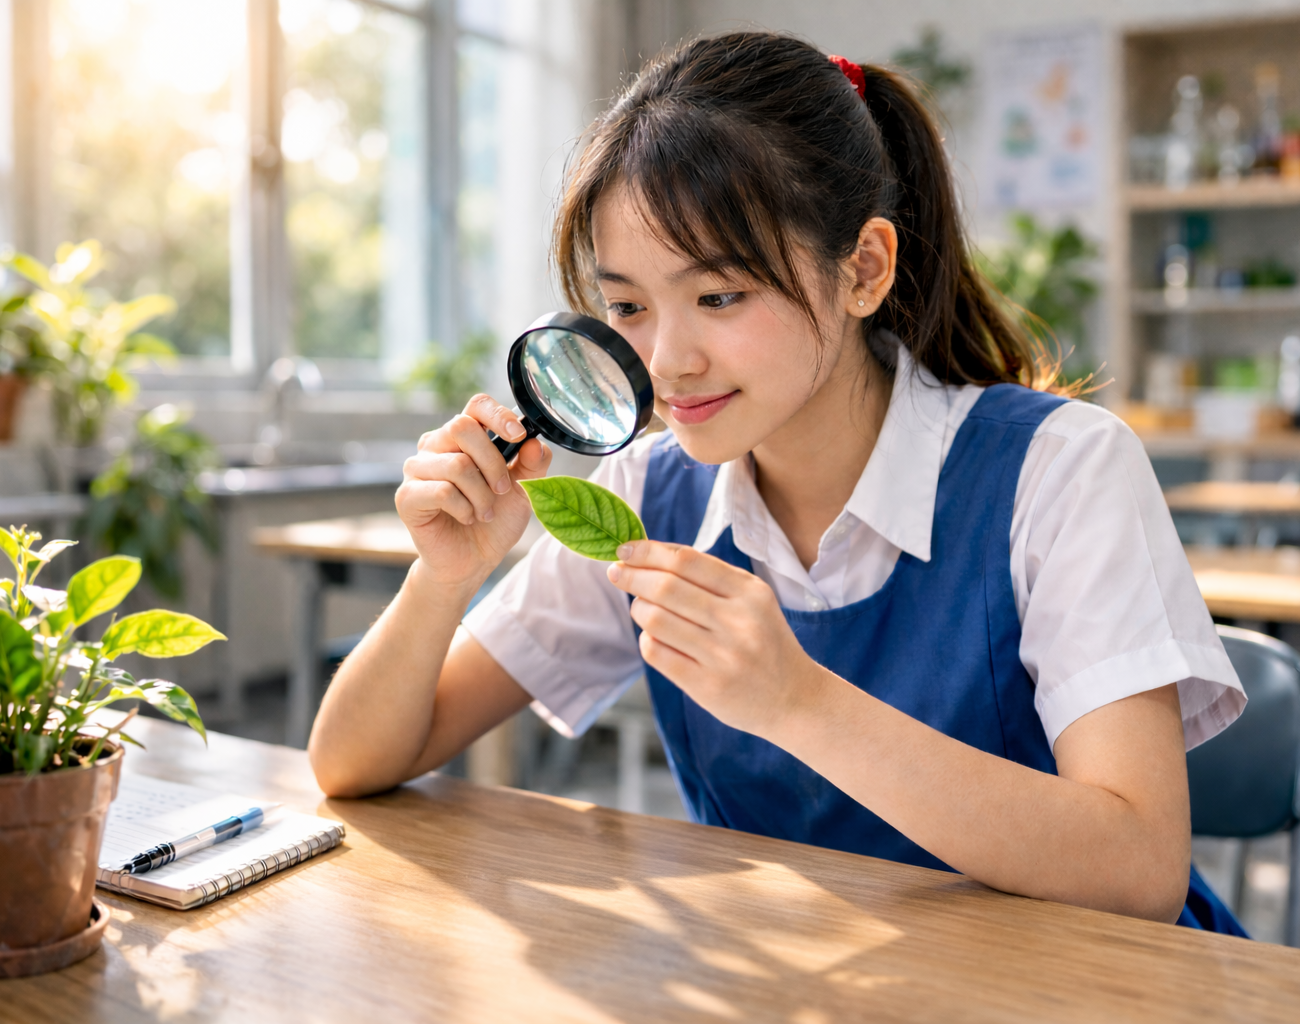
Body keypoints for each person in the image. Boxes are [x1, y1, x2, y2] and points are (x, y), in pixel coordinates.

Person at [309, 32, 1247, 933]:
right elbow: (351, 764)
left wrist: (798, 704)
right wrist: (445, 577)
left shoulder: (1060, 468)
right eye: (627, 305)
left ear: (864, 270)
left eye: (719, 297)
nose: (667, 361)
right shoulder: (643, 497)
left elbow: (1139, 873)